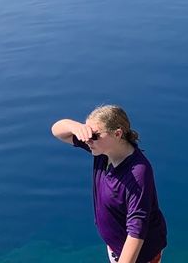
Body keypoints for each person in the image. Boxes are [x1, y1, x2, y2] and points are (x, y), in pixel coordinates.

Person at [51, 105, 168, 263]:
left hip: (140, 256)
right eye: (88, 133)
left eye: (94, 135)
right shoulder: (103, 150)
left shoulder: (138, 173)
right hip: (116, 247)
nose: (88, 139)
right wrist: (77, 127)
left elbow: (136, 231)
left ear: (118, 134)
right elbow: (57, 130)